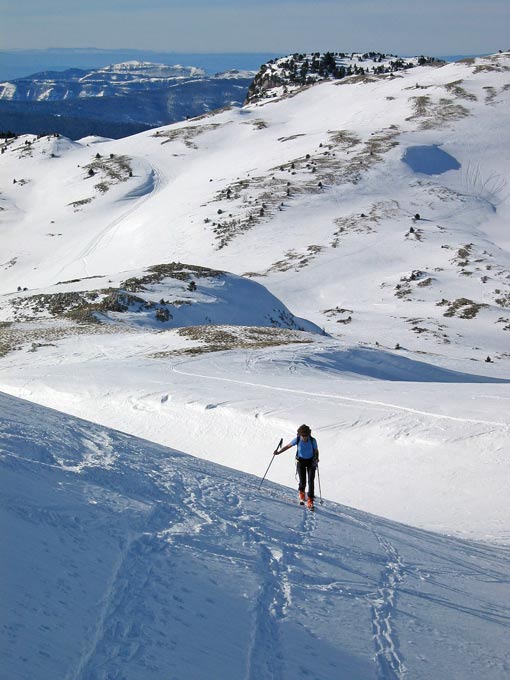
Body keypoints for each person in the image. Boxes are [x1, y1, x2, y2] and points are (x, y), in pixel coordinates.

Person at [275, 424, 319, 509]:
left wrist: (316, 458)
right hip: (301, 461)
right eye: (303, 435)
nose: (304, 437)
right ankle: (302, 492)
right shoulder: (297, 439)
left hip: (311, 462)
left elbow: (316, 451)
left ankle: (310, 499)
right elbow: (287, 446)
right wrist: (278, 452)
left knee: (311, 481)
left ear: (308, 434)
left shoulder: (313, 440)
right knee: (303, 481)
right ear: (300, 434)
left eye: (306, 435)